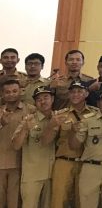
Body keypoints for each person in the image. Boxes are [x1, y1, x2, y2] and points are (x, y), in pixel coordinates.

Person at [50, 81, 97, 208]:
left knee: (82, 201)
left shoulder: (96, 114)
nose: (75, 94)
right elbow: (49, 140)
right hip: (64, 162)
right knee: (58, 201)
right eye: (72, 91)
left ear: (86, 94)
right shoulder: (60, 115)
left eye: (79, 91)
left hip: (86, 164)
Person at [11, 86, 56, 208]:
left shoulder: (59, 117)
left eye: (46, 97)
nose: (43, 101)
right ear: (35, 103)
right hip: (32, 175)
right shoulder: (29, 119)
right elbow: (16, 145)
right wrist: (25, 129)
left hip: (53, 174)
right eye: (39, 99)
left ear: (52, 99)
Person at [0, 79, 35, 208]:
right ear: (2, 94)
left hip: (20, 163)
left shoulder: (30, 110)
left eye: (15, 91)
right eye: (7, 92)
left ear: (20, 91)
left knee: (14, 202)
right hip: (0, 163)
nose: (11, 94)